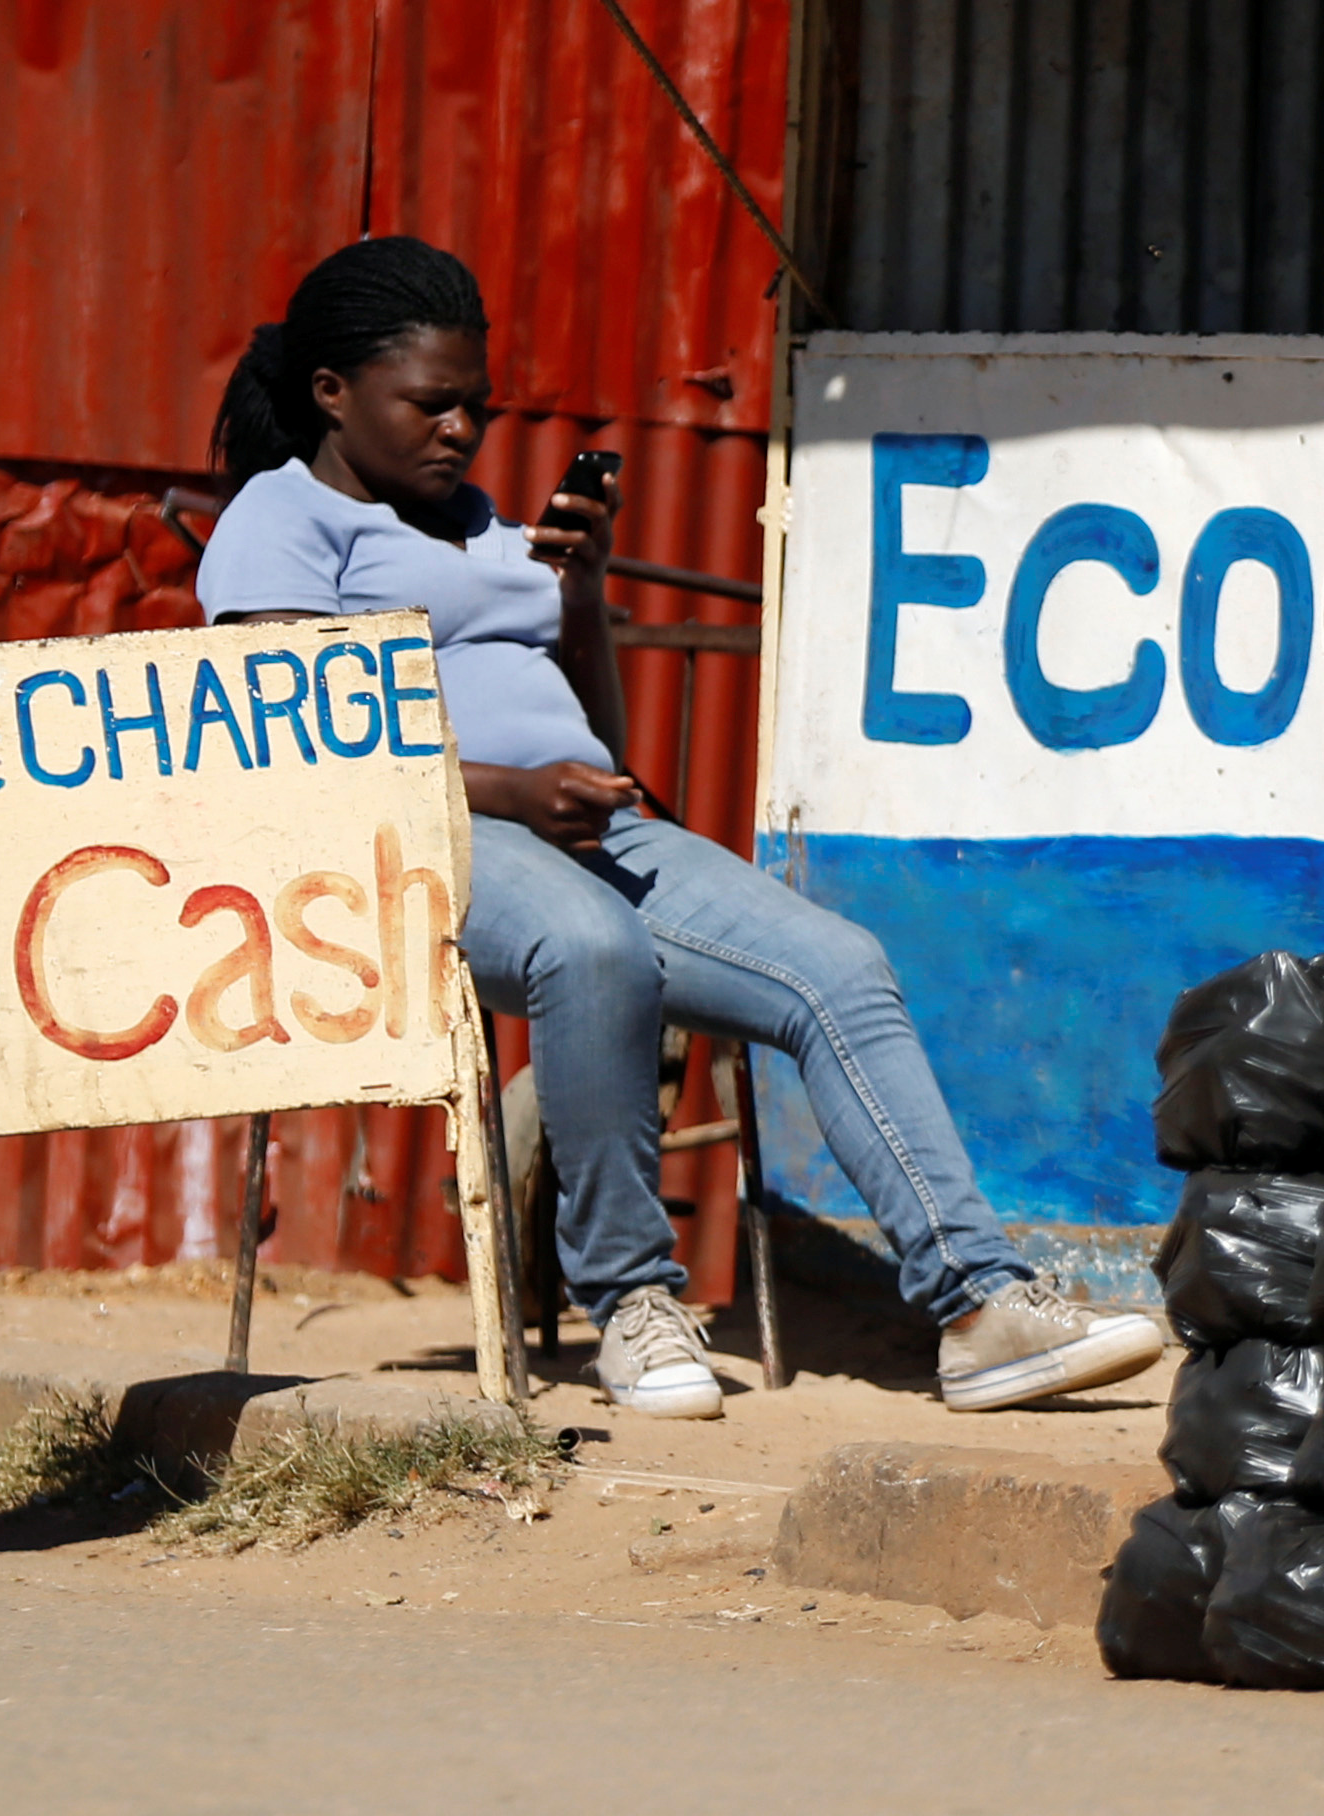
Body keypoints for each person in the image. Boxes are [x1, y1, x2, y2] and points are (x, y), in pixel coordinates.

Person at [198, 236, 1163, 1418]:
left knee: (837, 967)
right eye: (431, 404)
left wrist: (582, 593)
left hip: (583, 831)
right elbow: (294, 750)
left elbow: (594, 727)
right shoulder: (279, 520)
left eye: (477, 408)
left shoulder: (493, 525)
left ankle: (978, 1305)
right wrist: (509, 791)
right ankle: (635, 1301)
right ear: (331, 394)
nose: (461, 431)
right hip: (411, 844)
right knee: (592, 948)